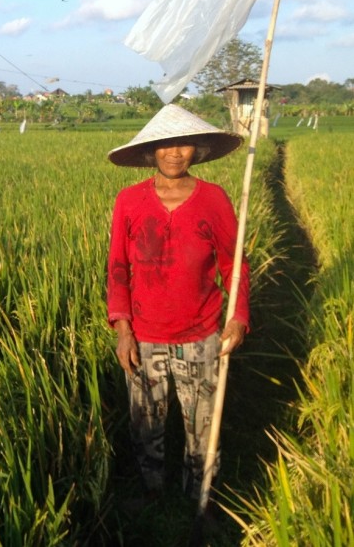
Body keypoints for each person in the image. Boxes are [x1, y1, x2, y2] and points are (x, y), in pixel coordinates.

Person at [105, 104, 250, 501]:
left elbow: (234, 265)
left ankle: (200, 496)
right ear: (151, 152)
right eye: (165, 145)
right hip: (144, 335)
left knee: (203, 425)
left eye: (183, 144)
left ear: (197, 149)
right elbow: (117, 266)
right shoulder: (129, 201)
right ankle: (153, 497)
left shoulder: (213, 199)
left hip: (201, 333)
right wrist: (122, 329)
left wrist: (237, 318)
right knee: (145, 424)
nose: (174, 153)